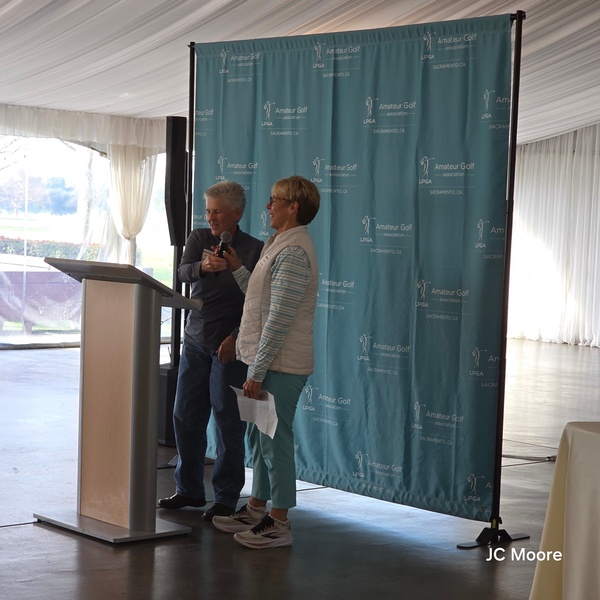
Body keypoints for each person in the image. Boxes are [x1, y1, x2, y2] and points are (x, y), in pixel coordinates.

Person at [212, 175, 320, 549]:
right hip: (267, 361)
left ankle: (279, 522)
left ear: (293, 207)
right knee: (260, 439)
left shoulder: (293, 251)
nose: (268, 206)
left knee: (275, 441)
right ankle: (257, 508)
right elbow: (259, 300)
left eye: (275, 200)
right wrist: (237, 269)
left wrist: (256, 372)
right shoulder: (278, 244)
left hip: (280, 365)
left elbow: (279, 318)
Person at [158, 181, 263, 521]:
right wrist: (202, 267)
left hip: (230, 347)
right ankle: (188, 489)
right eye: (208, 211)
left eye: (218, 211)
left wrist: (235, 337)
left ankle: (226, 497)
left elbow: (256, 303)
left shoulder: (254, 249)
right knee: (185, 416)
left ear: (237, 213)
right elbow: (182, 272)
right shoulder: (199, 238)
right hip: (195, 341)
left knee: (227, 422)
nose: (211, 218)